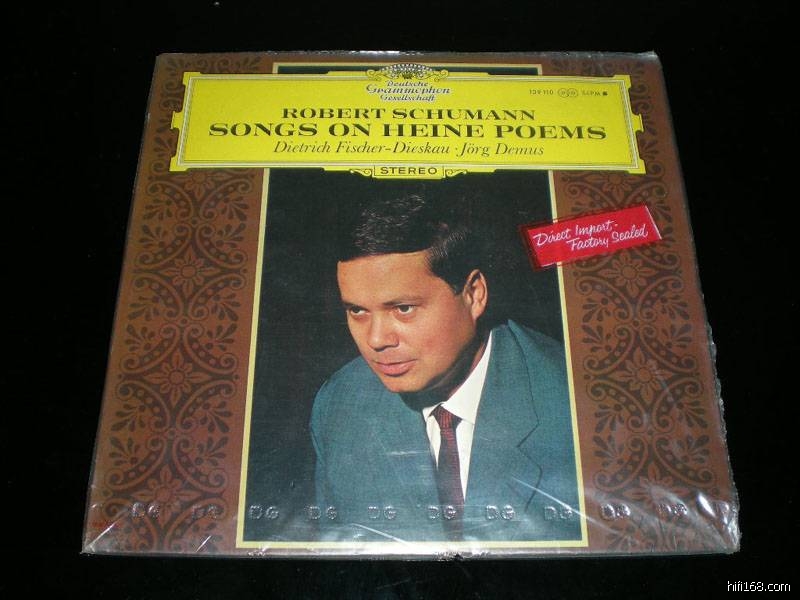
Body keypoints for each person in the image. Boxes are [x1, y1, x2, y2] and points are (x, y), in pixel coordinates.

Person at [310, 194, 582, 543]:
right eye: (357, 311)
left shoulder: (577, 406)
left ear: (474, 294)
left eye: (403, 309)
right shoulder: (340, 404)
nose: (376, 340)